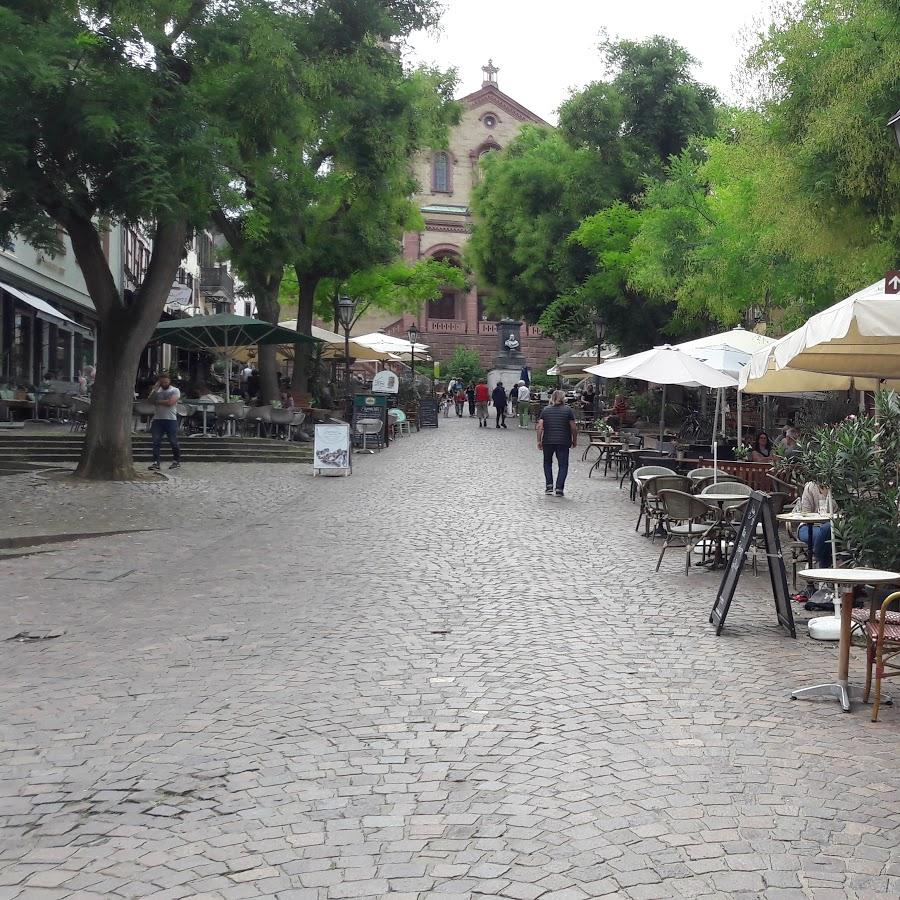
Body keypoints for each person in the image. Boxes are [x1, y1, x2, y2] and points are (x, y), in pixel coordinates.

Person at [537, 389, 577, 496]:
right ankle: (559, 488)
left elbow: (540, 427)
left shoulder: (545, 410)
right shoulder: (568, 410)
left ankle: (549, 486)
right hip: (563, 441)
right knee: (563, 465)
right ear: (563, 398)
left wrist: (539, 440)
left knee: (547, 463)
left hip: (548, 441)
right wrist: (574, 440)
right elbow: (573, 427)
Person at [796, 481, 835, 569]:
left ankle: (815, 561)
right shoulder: (811, 486)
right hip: (809, 526)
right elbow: (805, 514)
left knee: (827, 529)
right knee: (825, 533)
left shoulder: (841, 488)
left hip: (832, 527)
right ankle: (822, 568)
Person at [147, 373, 182, 471]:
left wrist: (158, 402)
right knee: (156, 441)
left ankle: (176, 461)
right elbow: (150, 400)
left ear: (169, 381)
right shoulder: (157, 391)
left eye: (166, 382)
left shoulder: (175, 390)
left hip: (170, 419)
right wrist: (155, 388)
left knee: (173, 441)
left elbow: (171, 403)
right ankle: (155, 463)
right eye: (162, 382)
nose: (164, 384)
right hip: (157, 419)